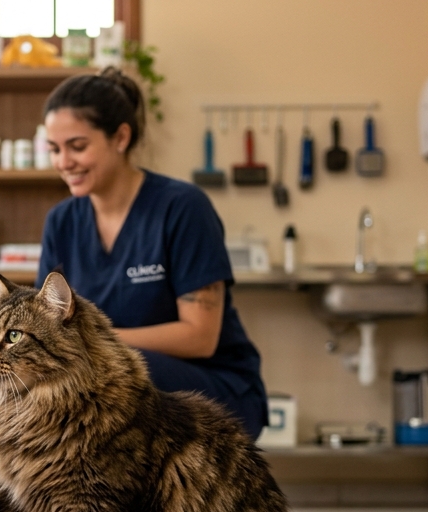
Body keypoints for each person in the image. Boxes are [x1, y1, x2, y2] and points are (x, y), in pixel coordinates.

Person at [36, 67, 268, 438]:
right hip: (110, 383)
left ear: (121, 137)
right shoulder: (62, 222)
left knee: (120, 373)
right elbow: (46, 326)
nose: (64, 162)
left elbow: (200, 336)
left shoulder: (183, 207)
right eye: (54, 149)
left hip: (212, 389)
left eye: (77, 146)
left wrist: (94, 341)